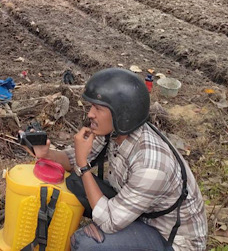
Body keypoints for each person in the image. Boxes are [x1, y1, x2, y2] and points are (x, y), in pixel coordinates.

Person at [33, 68, 207, 250]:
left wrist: (84, 166)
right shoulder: (116, 131)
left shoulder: (151, 166)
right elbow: (73, 160)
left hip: (171, 240)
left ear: (122, 113)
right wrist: (47, 153)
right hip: (142, 213)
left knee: (87, 244)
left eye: (98, 108)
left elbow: (109, 221)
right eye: (92, 106)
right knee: (75, 183)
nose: (90, 114)